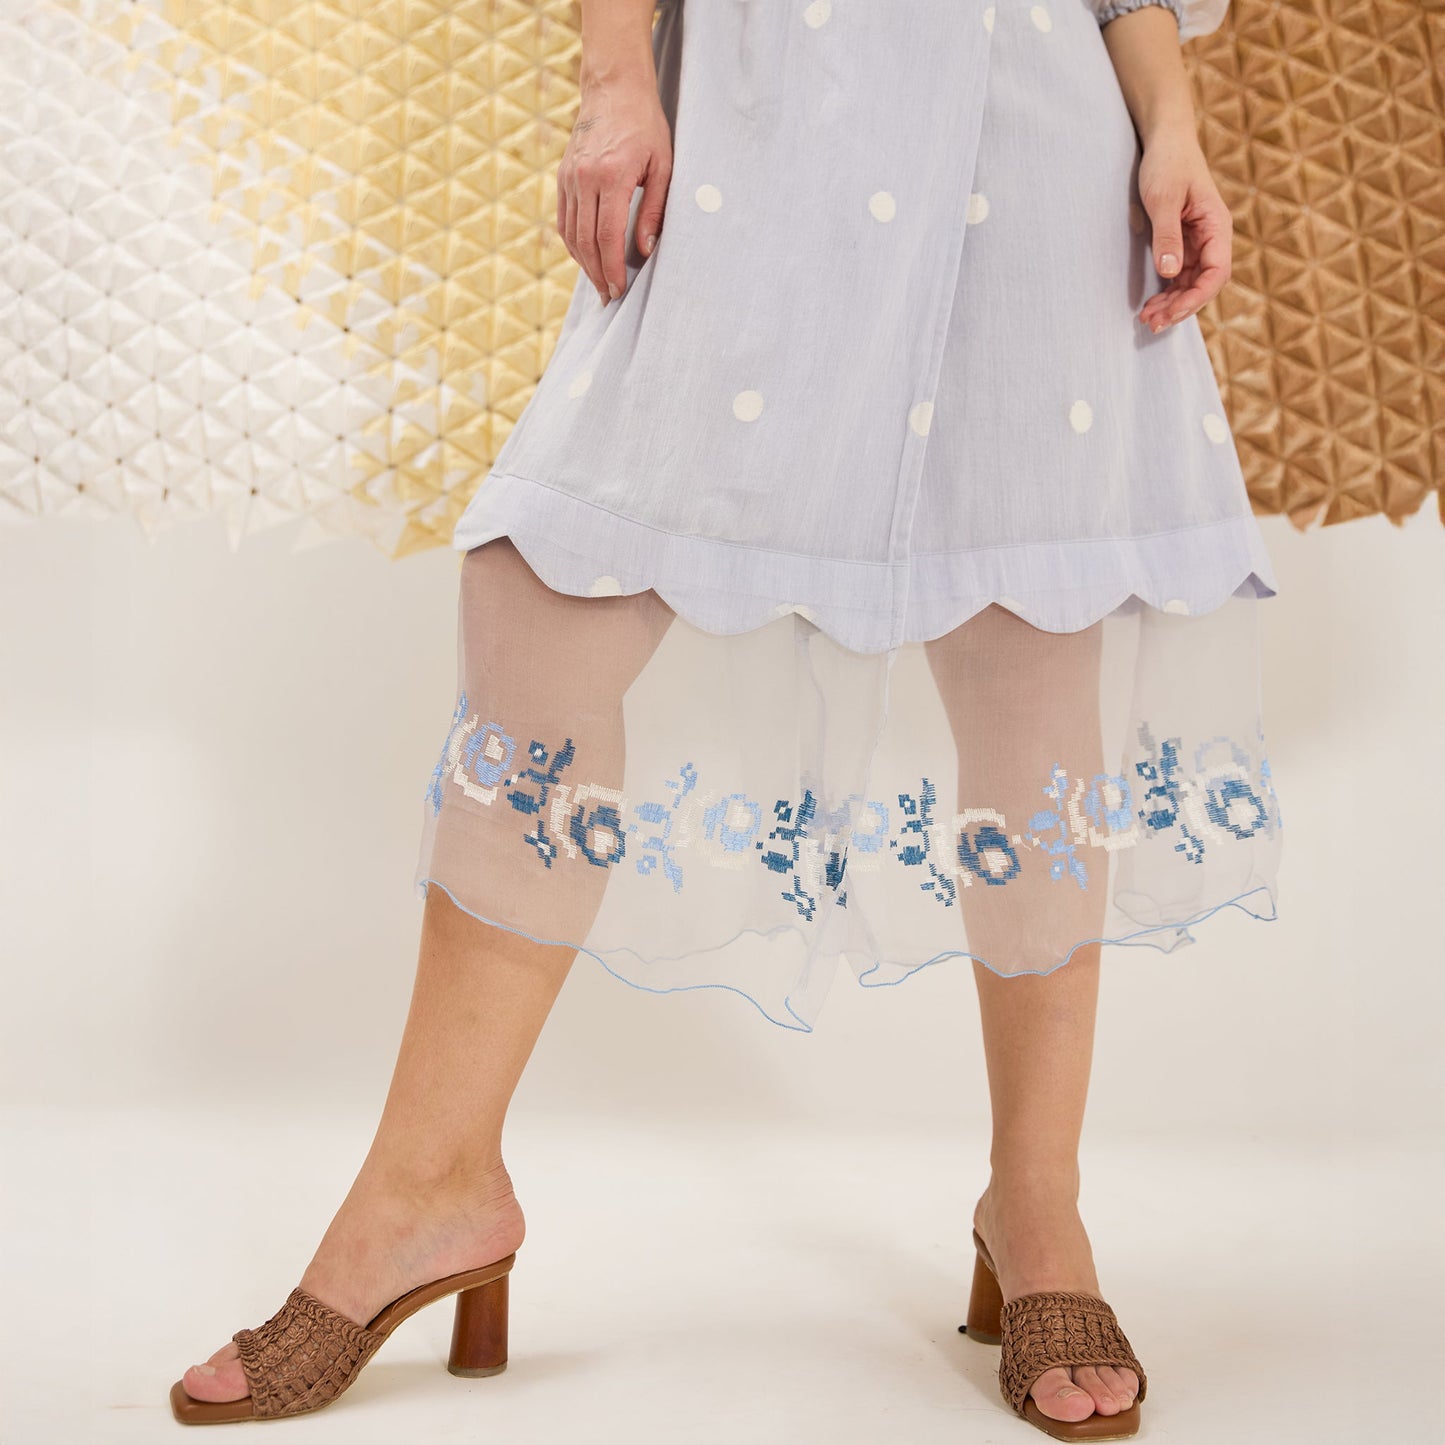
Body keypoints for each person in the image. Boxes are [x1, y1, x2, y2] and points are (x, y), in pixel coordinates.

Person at [170, 0, 1281, 1437]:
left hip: (1032, 124)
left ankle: (1038, 1207)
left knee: (1028, 635)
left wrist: (1171, 122)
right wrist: (613, 78)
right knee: (542, 597)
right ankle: (428, 1183)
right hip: (755, 109)